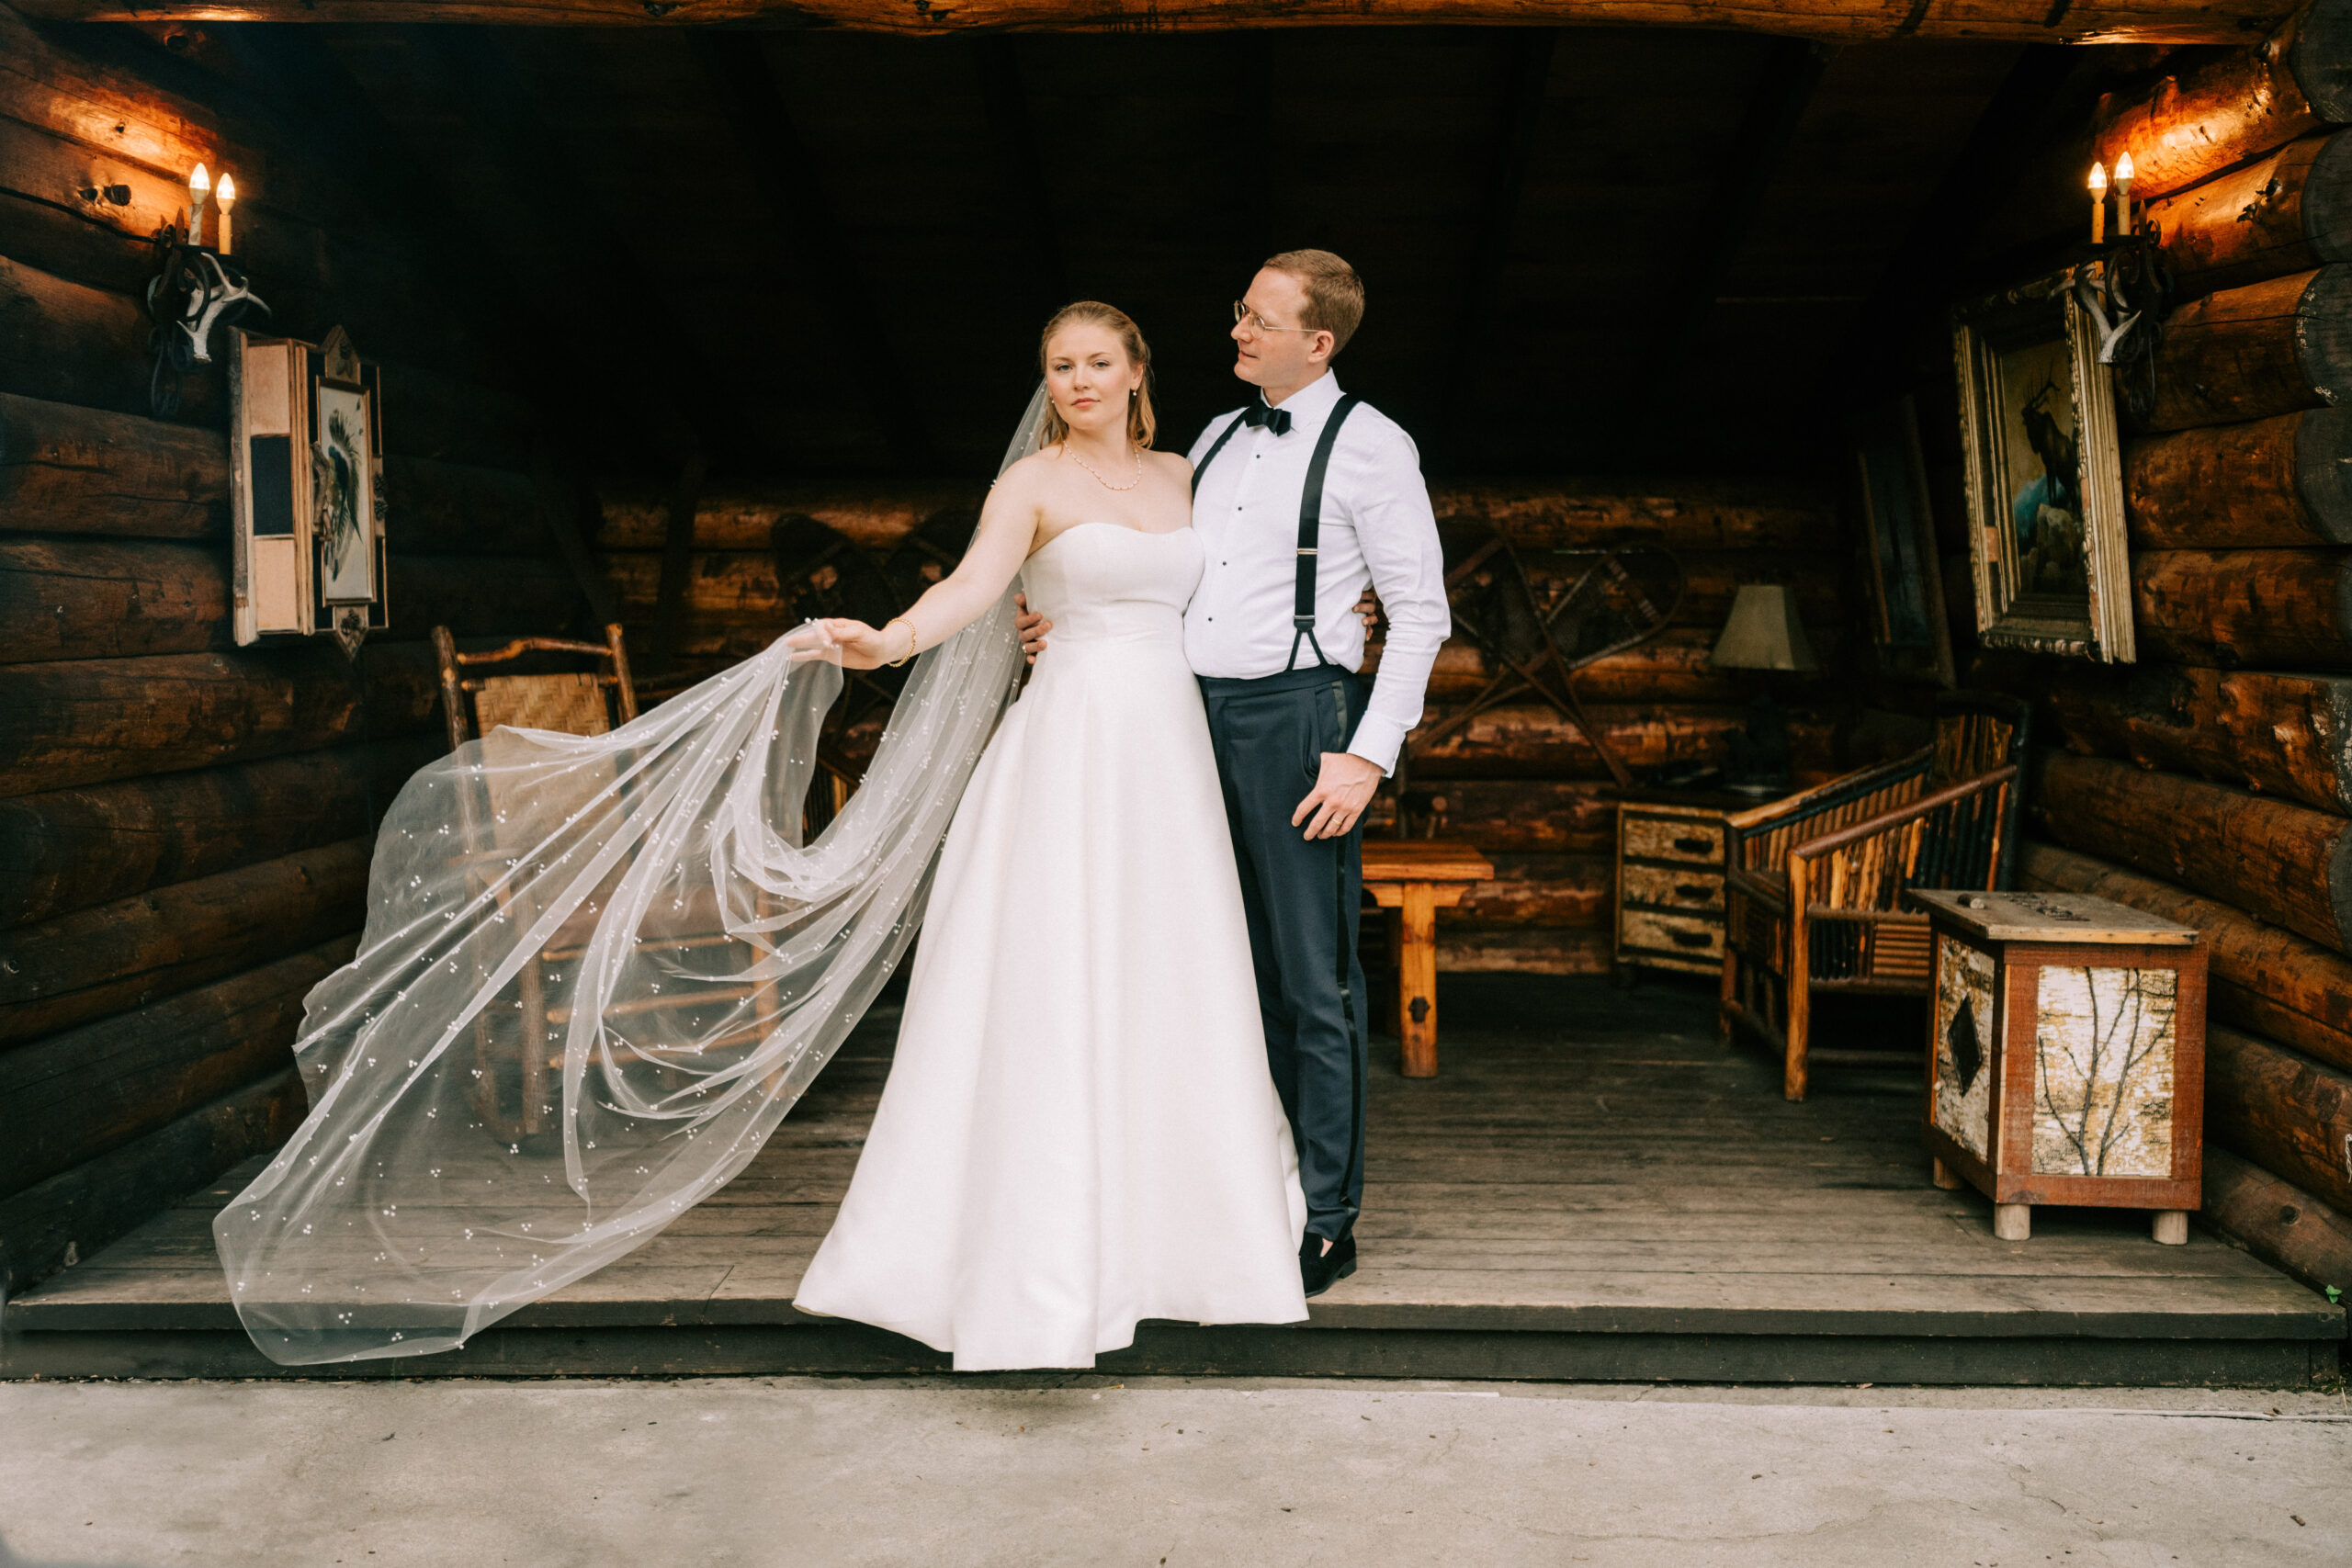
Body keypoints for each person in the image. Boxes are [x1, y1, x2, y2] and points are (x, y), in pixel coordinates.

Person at [786, 301, 1311, 1369]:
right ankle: (1039, 1256)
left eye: (1096, 363)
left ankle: (1187, 1244)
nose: (1077, 380)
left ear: (1133, 372)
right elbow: (975, 588)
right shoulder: (1028, 483)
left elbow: (1242, 593)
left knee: (1173, 976)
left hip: (1171, 757)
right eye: (1059, 366)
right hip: (1071, 745)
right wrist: (886, 642)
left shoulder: (1187, 476)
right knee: (1056, 981)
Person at [1016, 250, 1449, 1295]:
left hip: (1297, 722)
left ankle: (1328, 1220)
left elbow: (1422, 615)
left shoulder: (1373, 447)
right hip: (1176, 716)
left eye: (1258, 321)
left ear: (1318, 341)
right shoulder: (1208, 439)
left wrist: (1364, 756)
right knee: (1205, 966)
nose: (1236, 333)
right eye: (1238, 315)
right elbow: (1147, 564)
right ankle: (1224, 1188)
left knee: (1312, 980)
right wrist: (1059, 624)